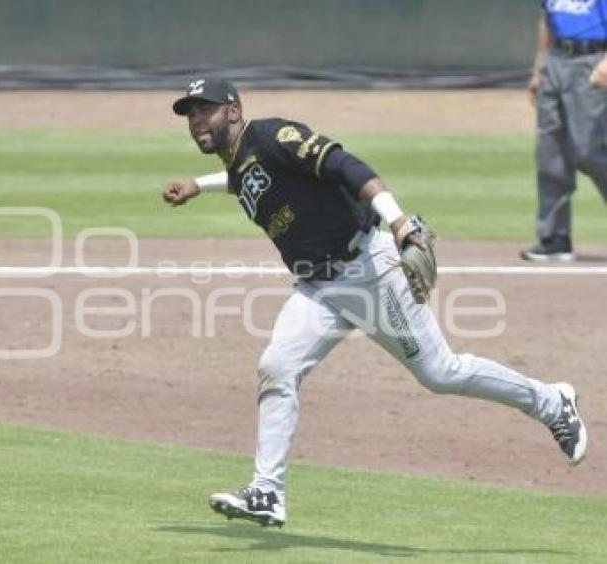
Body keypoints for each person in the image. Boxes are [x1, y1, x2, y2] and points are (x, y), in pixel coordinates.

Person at [162, 78, 588, 528]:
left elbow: (345, 165)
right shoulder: (244, 159)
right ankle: (267, 491)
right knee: (278, 367)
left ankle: (550, 401)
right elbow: (245, 177)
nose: (195, 121)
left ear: (232, 111)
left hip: (368, 267)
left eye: (204, 110)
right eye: (190, 114)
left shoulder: (272, 136)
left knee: (440, 372)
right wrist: (197, 184)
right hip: (318, 287)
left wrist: (400, 222)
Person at [522, 0, 607, 261]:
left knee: (589, 149)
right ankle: (554, 238)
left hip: (592, 60)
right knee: (551, 152)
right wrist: (538, 68)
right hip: (555, 60)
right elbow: (545, 19)